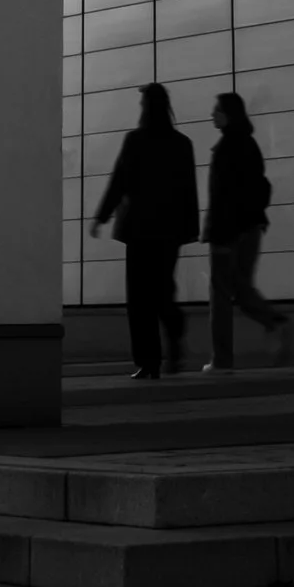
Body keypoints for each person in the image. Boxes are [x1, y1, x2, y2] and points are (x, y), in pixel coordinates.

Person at [90, 81, 199, 379]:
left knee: (139, 299)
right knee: (163, 291)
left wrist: (101, 216)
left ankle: (148, 362)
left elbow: (120, 181)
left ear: (145, 108)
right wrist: (190, 229)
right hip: (170, 232)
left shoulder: (135, 140)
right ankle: (175, 332)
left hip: (139, 230)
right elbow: (189, 191)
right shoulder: (181, 144)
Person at [202, 89, 290, 369]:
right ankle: (274, 321)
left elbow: (222, 196)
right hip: (250, 227)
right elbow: (258, 188)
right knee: (241, 288)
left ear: (229, 114)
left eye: (217, 110)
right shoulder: (249, 145)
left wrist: (217, 232)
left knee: (220, 297)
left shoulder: (227, 148)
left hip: (227, 231)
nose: (212, 115)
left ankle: (222, 359)